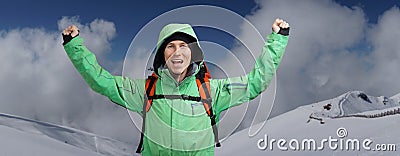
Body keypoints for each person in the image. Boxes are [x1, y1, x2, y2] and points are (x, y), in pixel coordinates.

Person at [62, 18, 289, 156]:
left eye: (183, 45)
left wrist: (277, 41)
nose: (178, 51)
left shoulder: (212, 91)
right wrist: (75, 47)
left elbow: (256, 83)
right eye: (170, 46)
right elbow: (102, 81)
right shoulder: (146, 90)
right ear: (163, 54)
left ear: (193, 53)